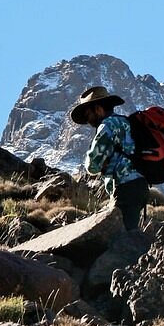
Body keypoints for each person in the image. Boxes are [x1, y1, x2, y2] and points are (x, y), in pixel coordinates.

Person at [70, 86, 149, 230]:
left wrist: (97, 163)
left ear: (98, 109)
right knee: (131, 231)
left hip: (125, 187)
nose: (88, 120)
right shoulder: (126, 122)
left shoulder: (107, 126)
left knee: (121, 237)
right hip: (140, 185)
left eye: (88, 114)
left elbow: (93, 165)